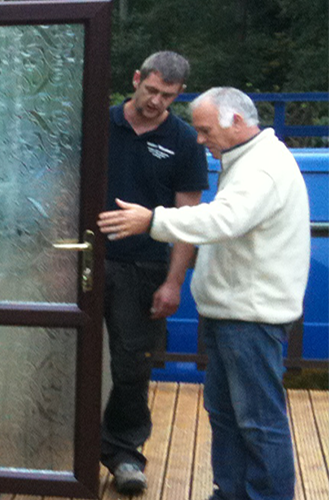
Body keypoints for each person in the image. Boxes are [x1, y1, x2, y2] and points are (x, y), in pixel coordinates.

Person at [98, 87, 311, 500]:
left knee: (259, 423)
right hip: (233, 314)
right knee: (228, 417)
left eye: (204, 129)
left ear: (235, 122)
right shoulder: (245, 160)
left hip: (250, 319)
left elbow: (223, 219)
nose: (198, 139)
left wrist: (153, 220)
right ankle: (230, 493)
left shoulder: (263, 168)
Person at [101, 51, 209, 494]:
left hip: (145, 266)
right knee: (62, 354)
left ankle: (124, 454)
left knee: (131, 366)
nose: (156, 102)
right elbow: (64, 187)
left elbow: (188, 219)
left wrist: (172, 282)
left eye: (168, 95)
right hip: (85, 259)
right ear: (136, 79)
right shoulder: (99, 124)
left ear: (180, 94)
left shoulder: (184, 140)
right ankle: (57, 447)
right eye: (151, 90)